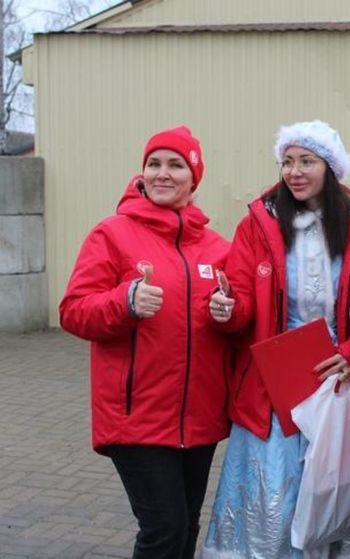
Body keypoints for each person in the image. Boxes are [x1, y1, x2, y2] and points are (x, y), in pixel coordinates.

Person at [202, 120, 350, 558]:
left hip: (340, 377)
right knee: (273, 507)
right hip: (273, 383)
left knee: (339, 493)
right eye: (287, 161)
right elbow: (242, 301)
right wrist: (225, 310)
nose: (294, 171)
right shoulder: (259, 223)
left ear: (331, 167)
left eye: (307, 161)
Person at [59, 126, 231, 558]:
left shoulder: (216, 248)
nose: (162, 173)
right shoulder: (112, 234)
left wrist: (230, 314)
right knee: (163, 528)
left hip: (200, 417)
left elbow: (239, 320)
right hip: (135, 416)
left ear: (194, 178)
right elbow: (74, 311)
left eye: (176, 165)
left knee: (186, 526)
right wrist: (126, 301)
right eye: (154, 163)